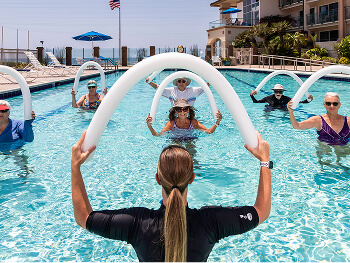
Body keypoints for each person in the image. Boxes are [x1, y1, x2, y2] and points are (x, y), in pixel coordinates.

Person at [71, 130, 271, 261]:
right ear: (192, 178)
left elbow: (84, 218)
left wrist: (75, 167)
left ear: (158, 178)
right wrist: (265, 161)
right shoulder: (211, 222)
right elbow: (261, 211)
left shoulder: (137, 223)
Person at [146, 98, 222, 137]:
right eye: (179, 109)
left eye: (185, 109)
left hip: (190, 141)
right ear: (175, 111)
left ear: (188, 110)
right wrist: (149, 126)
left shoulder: (194, 122)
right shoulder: (171, 123)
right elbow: (158, 135)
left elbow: (209, 132)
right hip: (175, 141)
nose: (182, 112)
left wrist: (217, 122)